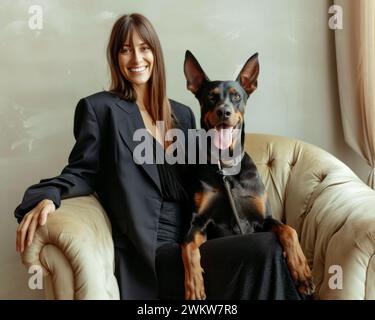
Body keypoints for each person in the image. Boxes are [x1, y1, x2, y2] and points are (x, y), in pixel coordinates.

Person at [14, 13, 302, 300]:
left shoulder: (184, 114)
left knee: (270, 246)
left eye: (144, 48)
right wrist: (50, 196)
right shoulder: (101, 110)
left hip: (199, 240)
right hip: (155, 251)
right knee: (266, 250)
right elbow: (82, 170)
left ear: (156, 54)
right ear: (115, 58)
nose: (136, 58)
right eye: (125, 50)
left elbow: (210, 175)